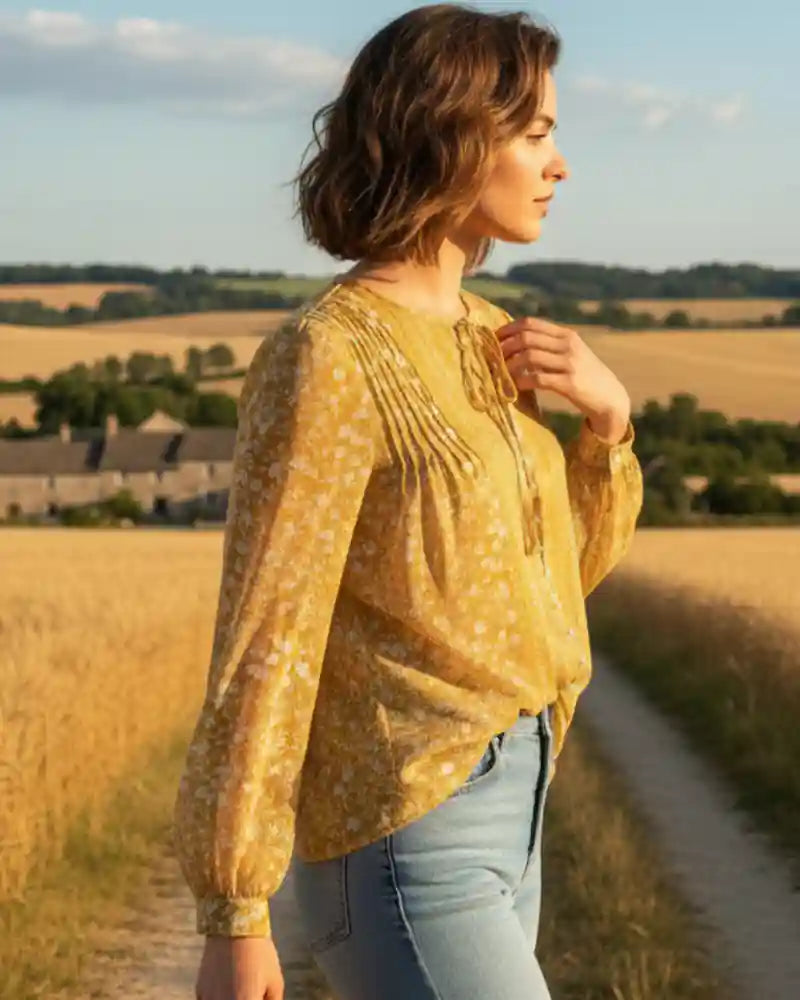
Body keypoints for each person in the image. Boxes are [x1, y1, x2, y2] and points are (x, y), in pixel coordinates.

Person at [174, 4, 644, 999]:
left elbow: (547, 586)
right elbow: (269, 630)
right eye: (534, 134)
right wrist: (233, 912)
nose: (559, 166)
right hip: (402, 833)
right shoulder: (327, 355)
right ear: (448, 137)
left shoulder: (490, 338)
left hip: (515, 809)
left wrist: (605, 431)